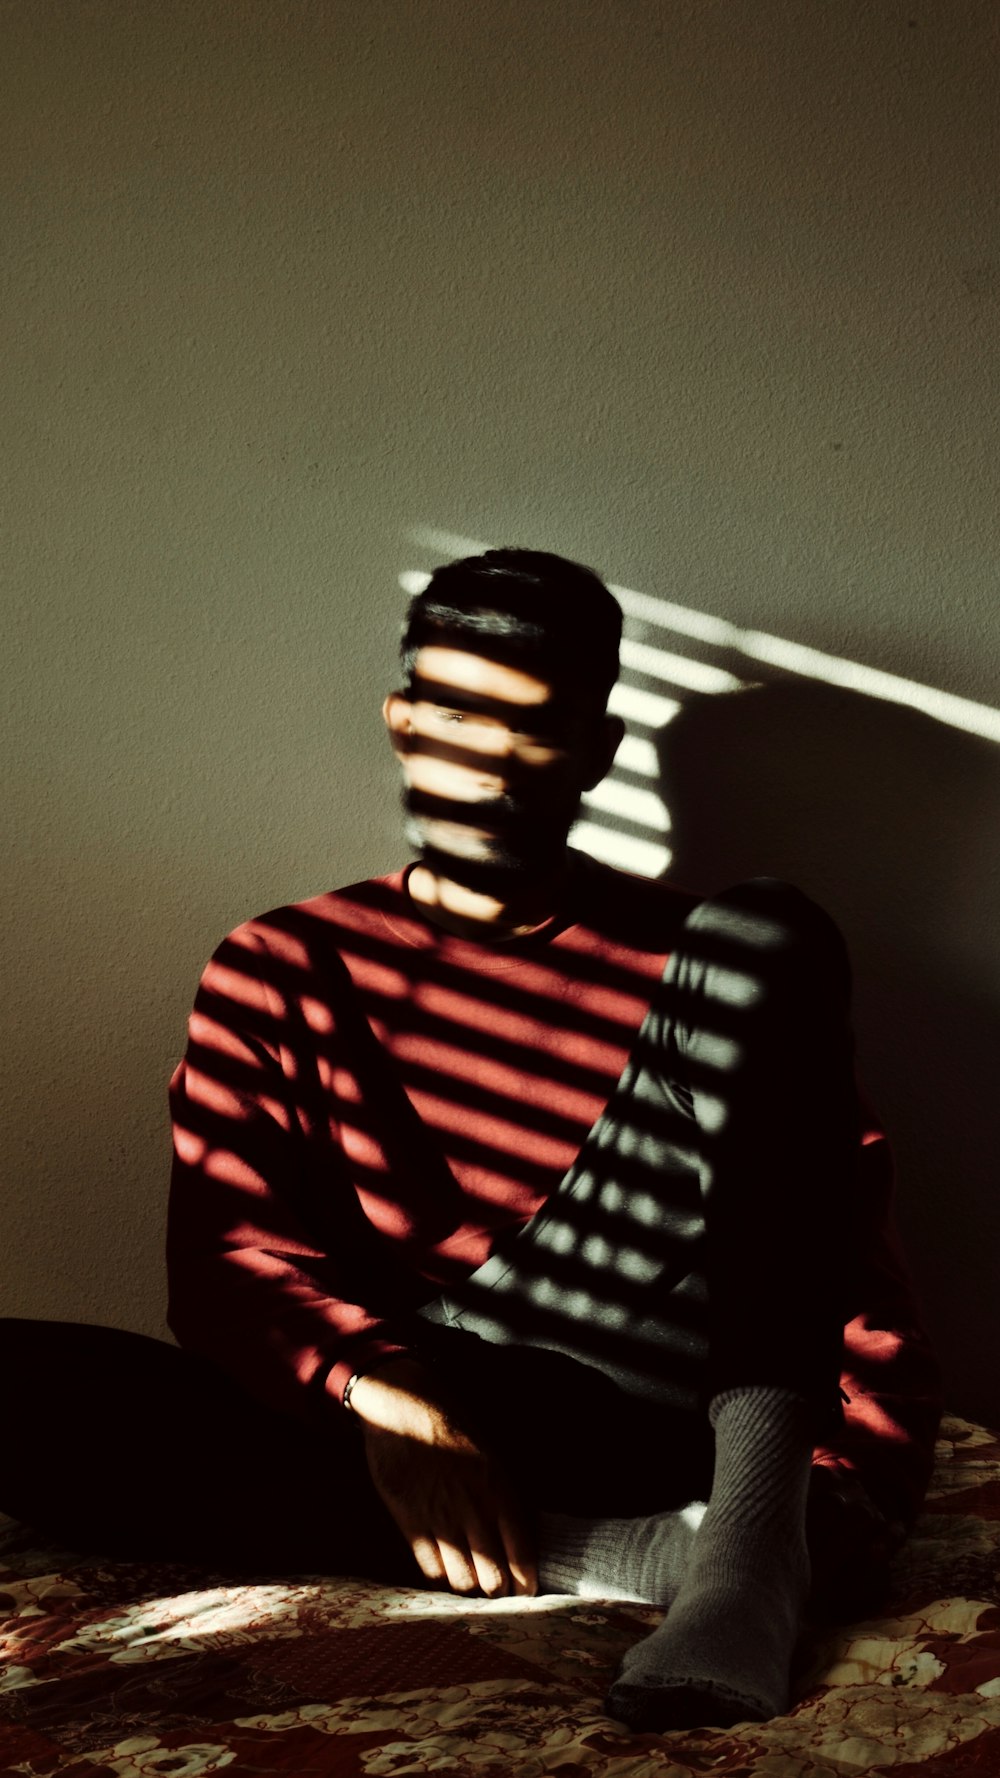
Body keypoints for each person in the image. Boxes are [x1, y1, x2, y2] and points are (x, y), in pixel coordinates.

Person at [0, 550, 942, 1735]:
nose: (491, 766)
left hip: (670, 1408)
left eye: (537, 730)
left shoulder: (707, 957)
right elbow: (227, 1263)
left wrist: (841, 1477)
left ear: (597, 751)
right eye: (457, 715)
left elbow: (826, 1250)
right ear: (402, 720)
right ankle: (632, 1556)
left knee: (767, 931)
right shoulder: (283, 963)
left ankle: (753, 1547)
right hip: (466, 1395)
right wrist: (380, 1390)